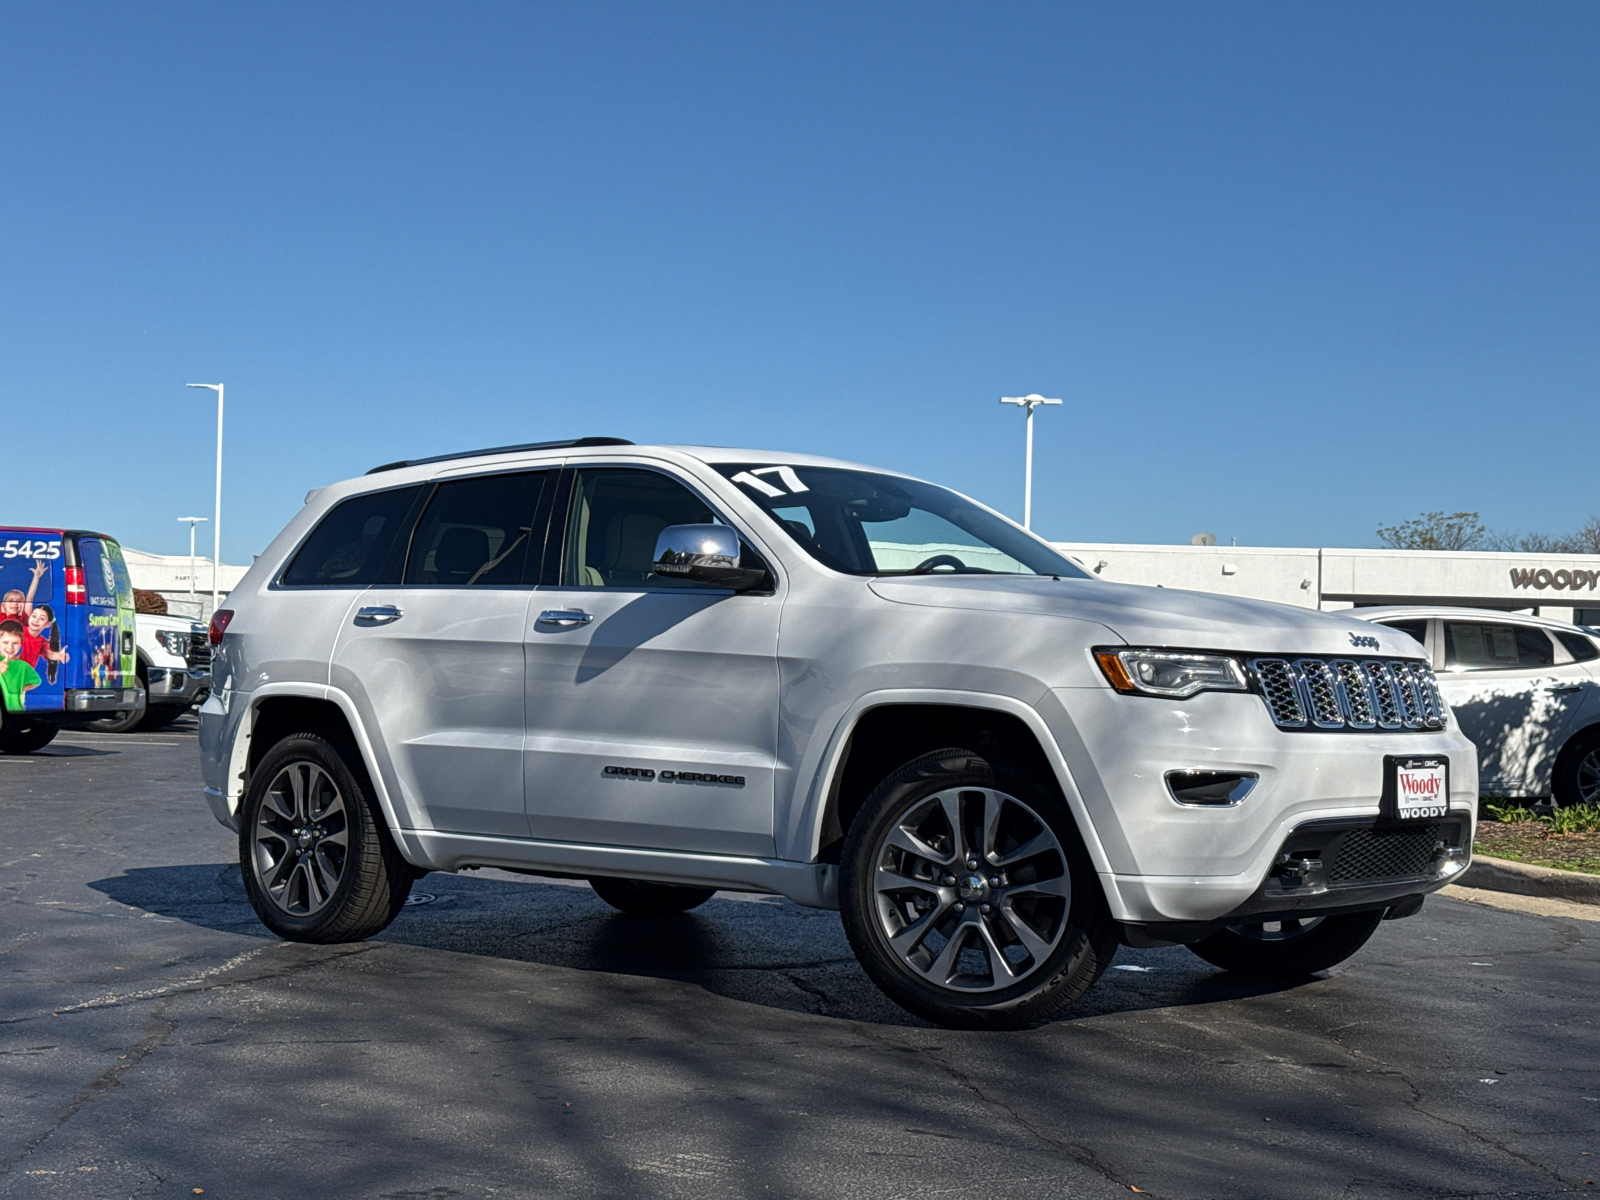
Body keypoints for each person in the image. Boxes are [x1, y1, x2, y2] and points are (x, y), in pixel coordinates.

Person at [0, 620, 42, 712]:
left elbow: (36, 681)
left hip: (16, 711)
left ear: (21, 643)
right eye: (5, 642)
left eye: (15, 643)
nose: (10, 647)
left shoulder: (23, 666)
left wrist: (20, 688)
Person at [20, 606, 68, 672]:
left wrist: (59, 656)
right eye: (34, 616)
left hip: (26, 675)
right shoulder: (17, 631)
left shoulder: (42, 642)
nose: (36, 620)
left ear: (48, 624)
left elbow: (50, 654)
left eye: (42, 619)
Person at [0, 559, 48, 624]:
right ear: (3, 605)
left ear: (23, 605)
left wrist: (36, 577)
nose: (15, 604)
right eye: (11, 600)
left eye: (19, 601)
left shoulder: (24, 618)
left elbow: (29, 598)